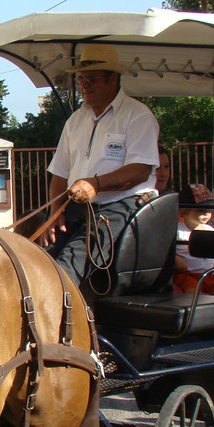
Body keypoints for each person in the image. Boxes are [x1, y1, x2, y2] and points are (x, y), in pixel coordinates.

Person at [42, 44, 159, 295]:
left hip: (120, 206)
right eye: (81, 79)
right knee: (37, 258)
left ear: (113, 78)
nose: (85, 85)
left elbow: (139, 171)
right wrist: (55, 213)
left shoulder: (138, 116)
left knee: (68, 266)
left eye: (92, 79)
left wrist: (95, 184)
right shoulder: (75, 120)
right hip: (76, 207)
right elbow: (60, 174)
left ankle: (60, 315)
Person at [173, 184, 214, 297]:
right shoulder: (176, 230)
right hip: (188, 274)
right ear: (184, 211)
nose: (206, 213)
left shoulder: (210, 230)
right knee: (194, 297)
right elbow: (164, 250)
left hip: (210, 274)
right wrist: (175, 258)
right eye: (201, 210)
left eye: (209, 209)